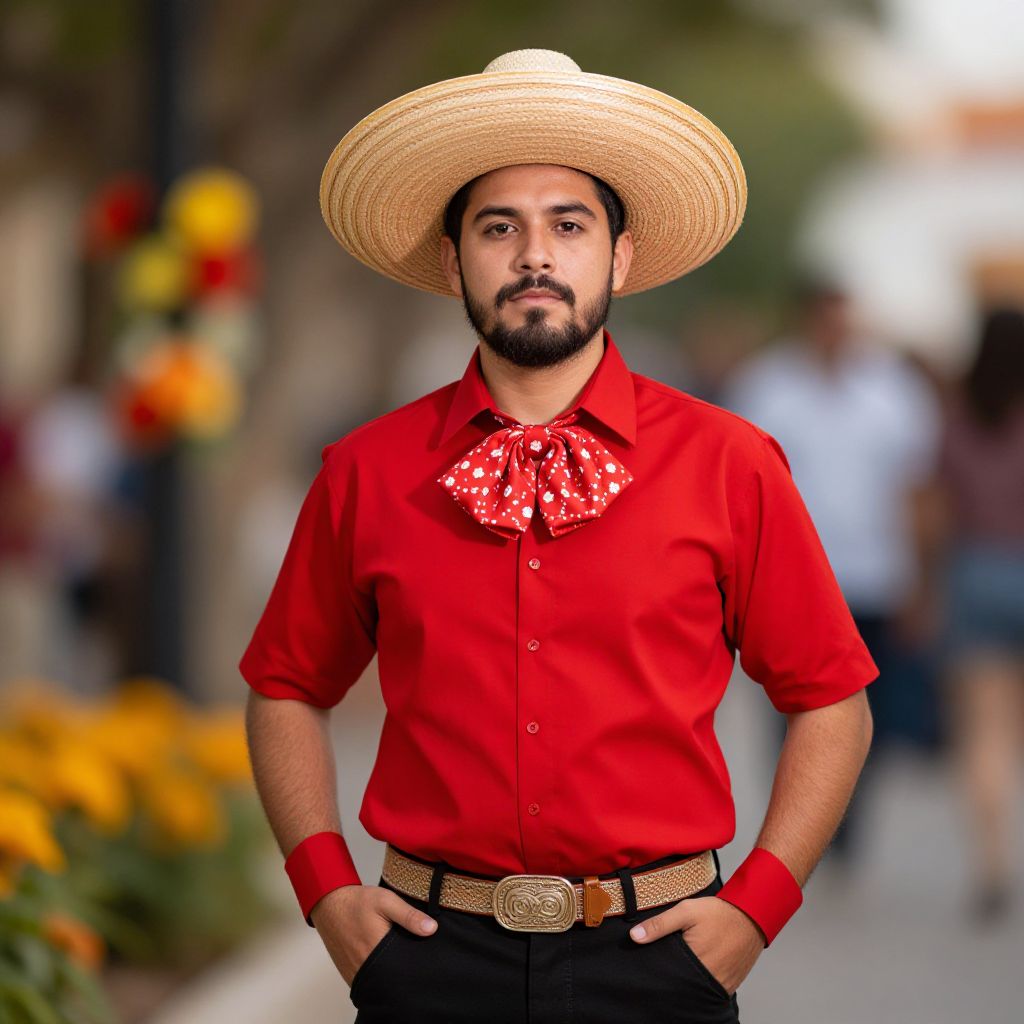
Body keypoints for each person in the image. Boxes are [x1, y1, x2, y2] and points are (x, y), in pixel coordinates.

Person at [240, 50, 877, 1023]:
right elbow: (286, 683)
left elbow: (831, 698)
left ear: (618, 256)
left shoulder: (730, 461)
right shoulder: (365, 470)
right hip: (427, 962)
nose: (534, 255)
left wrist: (757, 906)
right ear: (454, 259)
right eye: (499, 227)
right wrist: (324, 890)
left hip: (657, 960)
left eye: (568, 225)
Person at [721, 279, 942, 870]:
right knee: (788, 707)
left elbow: (918, 489)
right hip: (787, 576)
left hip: (873, 573)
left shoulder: (893, 391)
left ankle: (842, 818)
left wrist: (923, 579)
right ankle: (797, 819)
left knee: (860, 706)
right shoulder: (768, 385)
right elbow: (738, 487)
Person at [931, 306, 1024, 925]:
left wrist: (924, 588)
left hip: (972, 574)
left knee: (986, 735)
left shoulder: (959, 421)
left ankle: (993, 864)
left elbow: (935, 512)